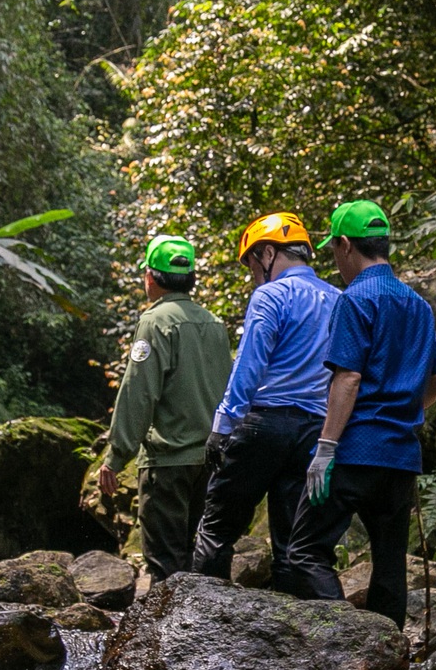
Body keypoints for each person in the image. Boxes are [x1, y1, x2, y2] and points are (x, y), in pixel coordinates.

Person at [290, 201, 436, 625]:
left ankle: (345, 636)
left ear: (345, 245)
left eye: (334, 251)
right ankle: (387, 655)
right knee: (390, 561)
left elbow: (348, 379)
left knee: (305, 550)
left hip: (355, 451)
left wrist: (325, 448)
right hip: (400, 456)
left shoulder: (355, 298)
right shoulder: (417, 304)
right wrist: (402, 412)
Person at [191, 212, 342, 590]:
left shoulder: (271, 295)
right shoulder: (339, 299)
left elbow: (249, 364)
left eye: (252, 264)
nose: (254, 274)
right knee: (293, 543)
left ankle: (200, 623)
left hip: (264, 424)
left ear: (269, 253)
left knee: (217, 527)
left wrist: (222, 425)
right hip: (313, 432)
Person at [93, 236, 233, 582]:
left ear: (150, 278)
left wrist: (116, 456)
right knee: (198, 561)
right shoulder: (215, 324)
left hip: (168, 463)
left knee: (166, 567)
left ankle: (167, 637)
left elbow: (139, 393)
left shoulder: (155, 322)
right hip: (211, 461)